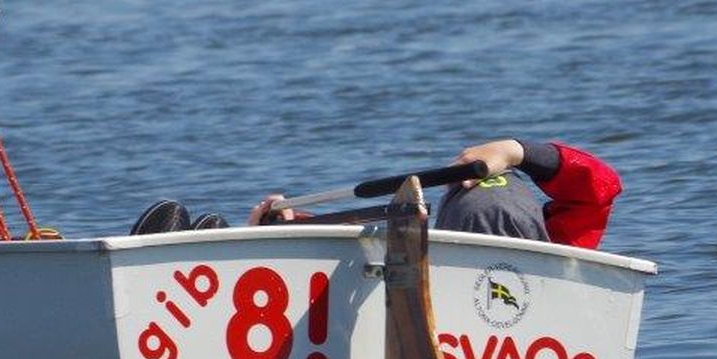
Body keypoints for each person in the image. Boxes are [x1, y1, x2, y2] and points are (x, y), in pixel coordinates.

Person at [249, 138, 622, 249]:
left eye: (510, 236)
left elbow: (601, 186)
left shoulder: (561, 255)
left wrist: (515, 151)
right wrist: (287, 227)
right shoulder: (427, 267)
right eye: (483, 238)